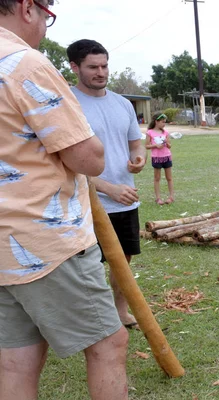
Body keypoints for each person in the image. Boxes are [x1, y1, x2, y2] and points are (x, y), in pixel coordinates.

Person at [0, 1, 128, 398]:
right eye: (46, 15)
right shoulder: (26, 64)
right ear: (26, 7)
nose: (44, 25)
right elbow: (88, 158)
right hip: (42, 237)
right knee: (108, 344)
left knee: (15, 358)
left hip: (4, 246)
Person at [67, 39, 146, 329]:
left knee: (122, 261)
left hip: (124, 198)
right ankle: (90, 318)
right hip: (82, 201)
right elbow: (64, 161)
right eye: (93, 67)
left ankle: (120, 311)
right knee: (85, 265)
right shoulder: (67, 104)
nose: (101, 72)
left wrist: (138, 159)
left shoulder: (122, 104)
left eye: (104, 65)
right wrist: (108, 188)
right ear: (74, 67)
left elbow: (136, 145)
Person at [146, 113, 175, 205]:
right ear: (156, 122)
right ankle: (158, 198)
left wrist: (166, 142)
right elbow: (146, 146)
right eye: (162, 122)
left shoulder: (165, 133)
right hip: (156, 158)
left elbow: (169, 146)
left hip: (166, 157)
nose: (164, 124)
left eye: (165, 122)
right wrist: (155, 145)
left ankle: (171, 197)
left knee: (169, 178)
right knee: (157, 178)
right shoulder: (149, 132)